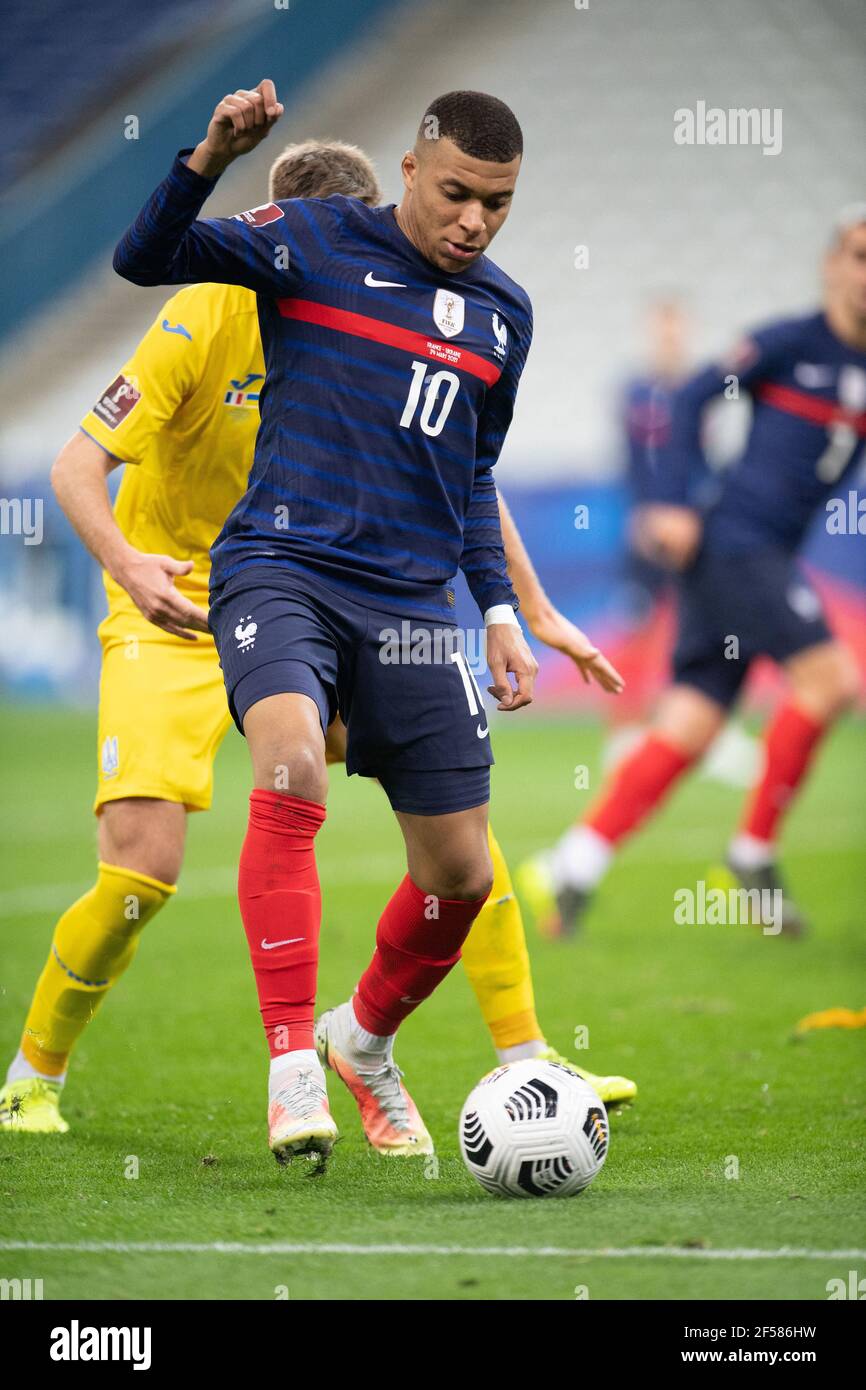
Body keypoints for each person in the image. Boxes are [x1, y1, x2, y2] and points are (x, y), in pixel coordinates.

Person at [0, 135, 635, 1142]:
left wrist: (527, 608)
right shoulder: (203, 314)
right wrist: (127, 566)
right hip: (177, 608)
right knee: (141, 869)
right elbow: (79, 465)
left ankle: (521, 1054)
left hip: (319, 603)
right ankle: (33, 1072)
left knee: (451, 816)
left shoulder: (379, 310)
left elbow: (460, 466)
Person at [519, 205, 866, 939]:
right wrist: (671, 500)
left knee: (691, 723)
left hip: (758, 556)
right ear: (833, 264)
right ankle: (751, 853)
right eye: (860, 256)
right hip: (738, 543)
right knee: (830, 680)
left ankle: (574, 867)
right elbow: (684, 399)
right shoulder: (788, 341)